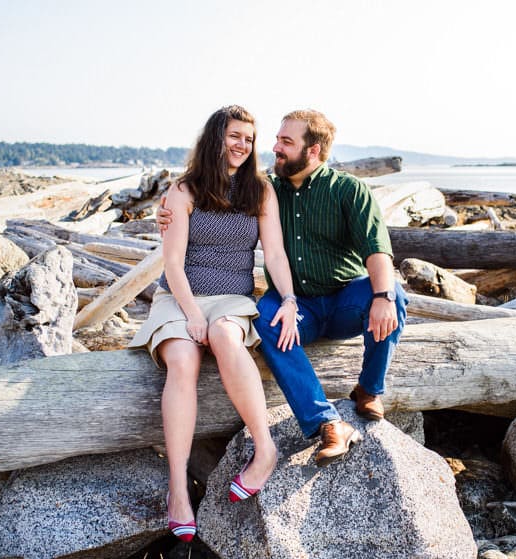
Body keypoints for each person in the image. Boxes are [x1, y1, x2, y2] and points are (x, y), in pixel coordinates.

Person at [159, 109, 407, 467]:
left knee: (393, 295)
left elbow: (378, 250)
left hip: (343, 302)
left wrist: (382, 297)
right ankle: (326, 422)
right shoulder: (268, 189)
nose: (274, 147)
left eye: (286, 142)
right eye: (276, 139)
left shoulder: (349, 189)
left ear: (313, 150)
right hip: (298, 308)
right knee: (266, 321)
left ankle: (369, 389)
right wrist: (164, 211)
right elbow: (208, 204)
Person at [129, 105, 299, 542]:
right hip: (180, 296)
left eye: (248, 137)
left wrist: (290, 297)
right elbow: (173, 262)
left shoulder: (259, 191)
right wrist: (189, 315)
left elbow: (275, 255)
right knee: (183, 360)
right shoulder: (184, 191)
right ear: (215, 138)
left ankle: (265, 449)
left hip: (231, 297)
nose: (242, 144)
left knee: (225, 334)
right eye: (234, 136)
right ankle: (178, 487)